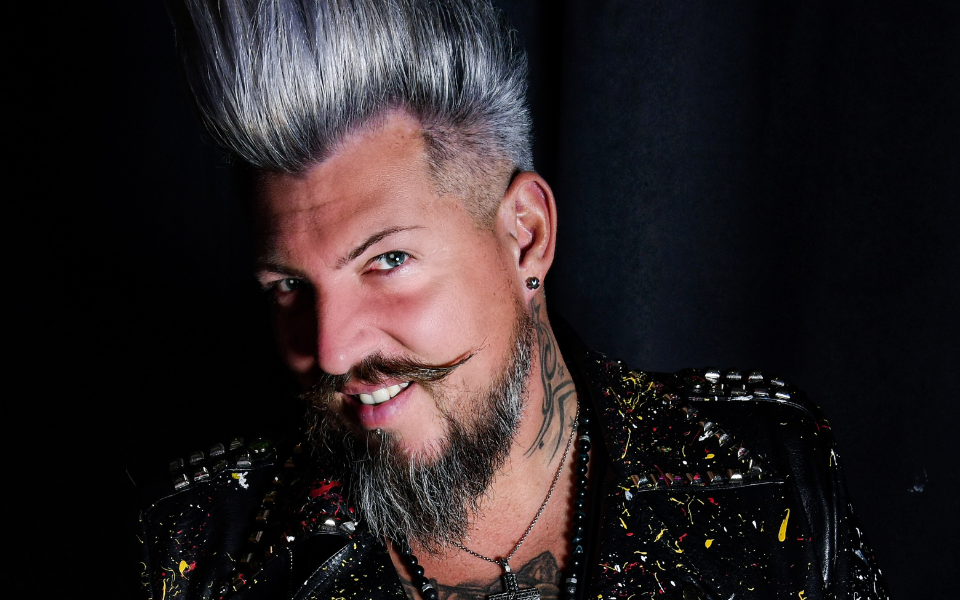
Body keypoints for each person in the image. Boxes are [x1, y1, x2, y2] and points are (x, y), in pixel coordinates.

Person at [134, 1, 889, 598]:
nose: (331, 350)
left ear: (526, 236)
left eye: (388, 261)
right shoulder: (200, 548)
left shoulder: (768, 471)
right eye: (290, 287)